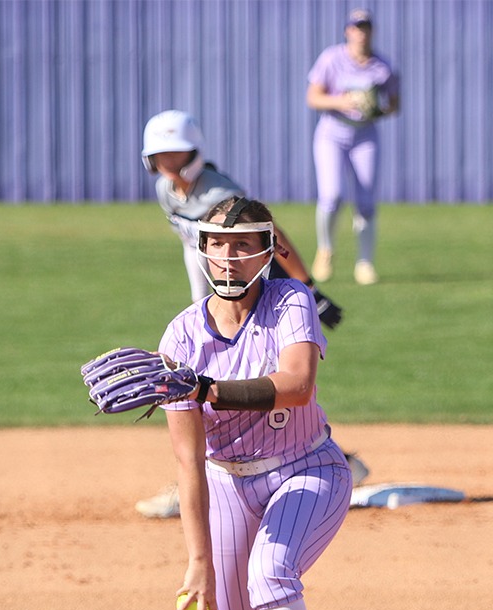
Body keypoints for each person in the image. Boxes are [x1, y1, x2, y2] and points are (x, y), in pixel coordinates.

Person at [154, 196, 353, 610]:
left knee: (273, 569)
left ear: (267, 249)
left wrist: (212, 388)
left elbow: (298, 385)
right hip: (229, 485)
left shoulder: (289, 303)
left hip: (307, 469)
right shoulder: (181, 336)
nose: (229, 256)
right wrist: (197, 561)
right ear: (201, 249)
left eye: (242, 244)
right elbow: (189, 461)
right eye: (217, 243)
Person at [135, 110, 365, 519]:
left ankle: (326, 458)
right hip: (216, 280)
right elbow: (195, 247)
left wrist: (307, 284)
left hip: (258, 275)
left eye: (176, 153)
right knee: (214, 371)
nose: (168, 162)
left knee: (277, 375)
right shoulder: (165, 192)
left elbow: (266, 228)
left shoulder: (217, 191)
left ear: (193, 151)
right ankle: (200, 471)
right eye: (161, 155)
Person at [306, 8, 400, 286]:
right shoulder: (332, 58)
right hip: (332, 134)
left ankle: (365, 263)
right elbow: (313, 97)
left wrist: (377, 109)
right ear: (348, 31)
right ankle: (325, 250)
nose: (361, 32)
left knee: (366, 202)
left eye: (366, 27)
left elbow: (394, 103)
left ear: (372, 31)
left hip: (364, 135)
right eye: (356, 27)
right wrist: (342, 102)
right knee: (332, 195)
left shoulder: (381, 66)